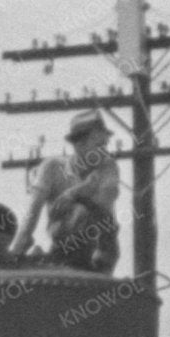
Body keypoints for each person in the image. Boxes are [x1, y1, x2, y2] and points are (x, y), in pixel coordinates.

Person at [27, 112, 120, 274]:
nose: (105, 151)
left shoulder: (108, 166)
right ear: (80, 145)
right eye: (99, 146)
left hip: (100, 249)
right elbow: (32, 212)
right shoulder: (52, 167)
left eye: (106, 145)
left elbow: (104, 205)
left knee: (86, 211)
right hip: (62, 243)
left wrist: (74, 193)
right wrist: (20, 244)